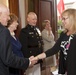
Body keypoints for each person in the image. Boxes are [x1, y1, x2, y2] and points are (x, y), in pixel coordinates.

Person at [32, 9, 76, 75]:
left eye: (64, 19)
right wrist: (37, 57)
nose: (62, 21)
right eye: (62, 19)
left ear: (72, 19)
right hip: (67, 69)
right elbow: (54, 50)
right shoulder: (63, 34)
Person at [0, 3, 36, 75]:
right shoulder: (3, 31)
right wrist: (28, 62)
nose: (9, 18)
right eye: (7, 15)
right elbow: (8, 59)